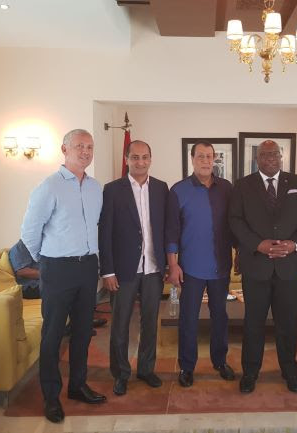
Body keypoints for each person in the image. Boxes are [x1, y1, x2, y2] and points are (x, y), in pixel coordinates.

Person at [21, 129, 106, 424]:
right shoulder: (49, 187)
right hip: (57, 268)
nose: (85, 151)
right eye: (79, 146)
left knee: (83, 331)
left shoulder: (95, 188)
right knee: (53, 334)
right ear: (64, 149)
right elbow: (29, 232)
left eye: (89, 147)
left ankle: (78, 385)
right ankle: (51, 395)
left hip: (88, 267)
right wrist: (46, 260)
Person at [229, 140, 297, 394]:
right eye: (265, 154)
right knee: (253, 323)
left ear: (281, 156)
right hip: (256, 265)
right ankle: (250, 372)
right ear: (257, 159)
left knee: (287, 324)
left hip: (288, 266)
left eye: (275, 154)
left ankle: (290, 372)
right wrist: (258, 244)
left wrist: (294, 244)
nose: (270, 158)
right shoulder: (242, 185)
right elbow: (235, 220)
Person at [99, 140, 169, 396]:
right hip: (123, 271)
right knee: (120, 325)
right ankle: (120, 374)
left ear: (151, 159)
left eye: (145, 157)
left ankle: (146, 369)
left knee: (150, 322)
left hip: (153, 268)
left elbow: (165, 228)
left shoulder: (161, 188)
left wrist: (168, 263)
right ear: (127, 159)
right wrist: (107, 271)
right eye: (135, 157)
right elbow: (105, 233)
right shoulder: (112, 190)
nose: (140, 162)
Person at [165, 141, 236, 387]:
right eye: (201, 156)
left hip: (220, 266)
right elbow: (171, 231)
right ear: (192, 159)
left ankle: (220, 361)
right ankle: (187, 366)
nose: (206, 161)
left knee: (220, 317)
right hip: (191, 268)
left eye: (209, 156)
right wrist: (173, 265)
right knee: (188, 319)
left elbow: (234, 225)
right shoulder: (178, 190)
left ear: (214, 159)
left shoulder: (226, 188)